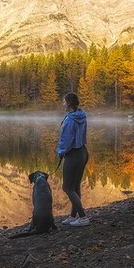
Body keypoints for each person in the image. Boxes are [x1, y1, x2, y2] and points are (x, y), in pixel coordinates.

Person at [56, 92, 90, 226]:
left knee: (67, 188)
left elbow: (66, 140)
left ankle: (83, 217)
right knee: (75, 187)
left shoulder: (70, 120)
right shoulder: (81, 115)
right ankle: (72, 216)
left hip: (74, 155)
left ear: (69, 104)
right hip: (83, 152)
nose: (63, 104)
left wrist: (60, 152)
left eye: (64, 102)